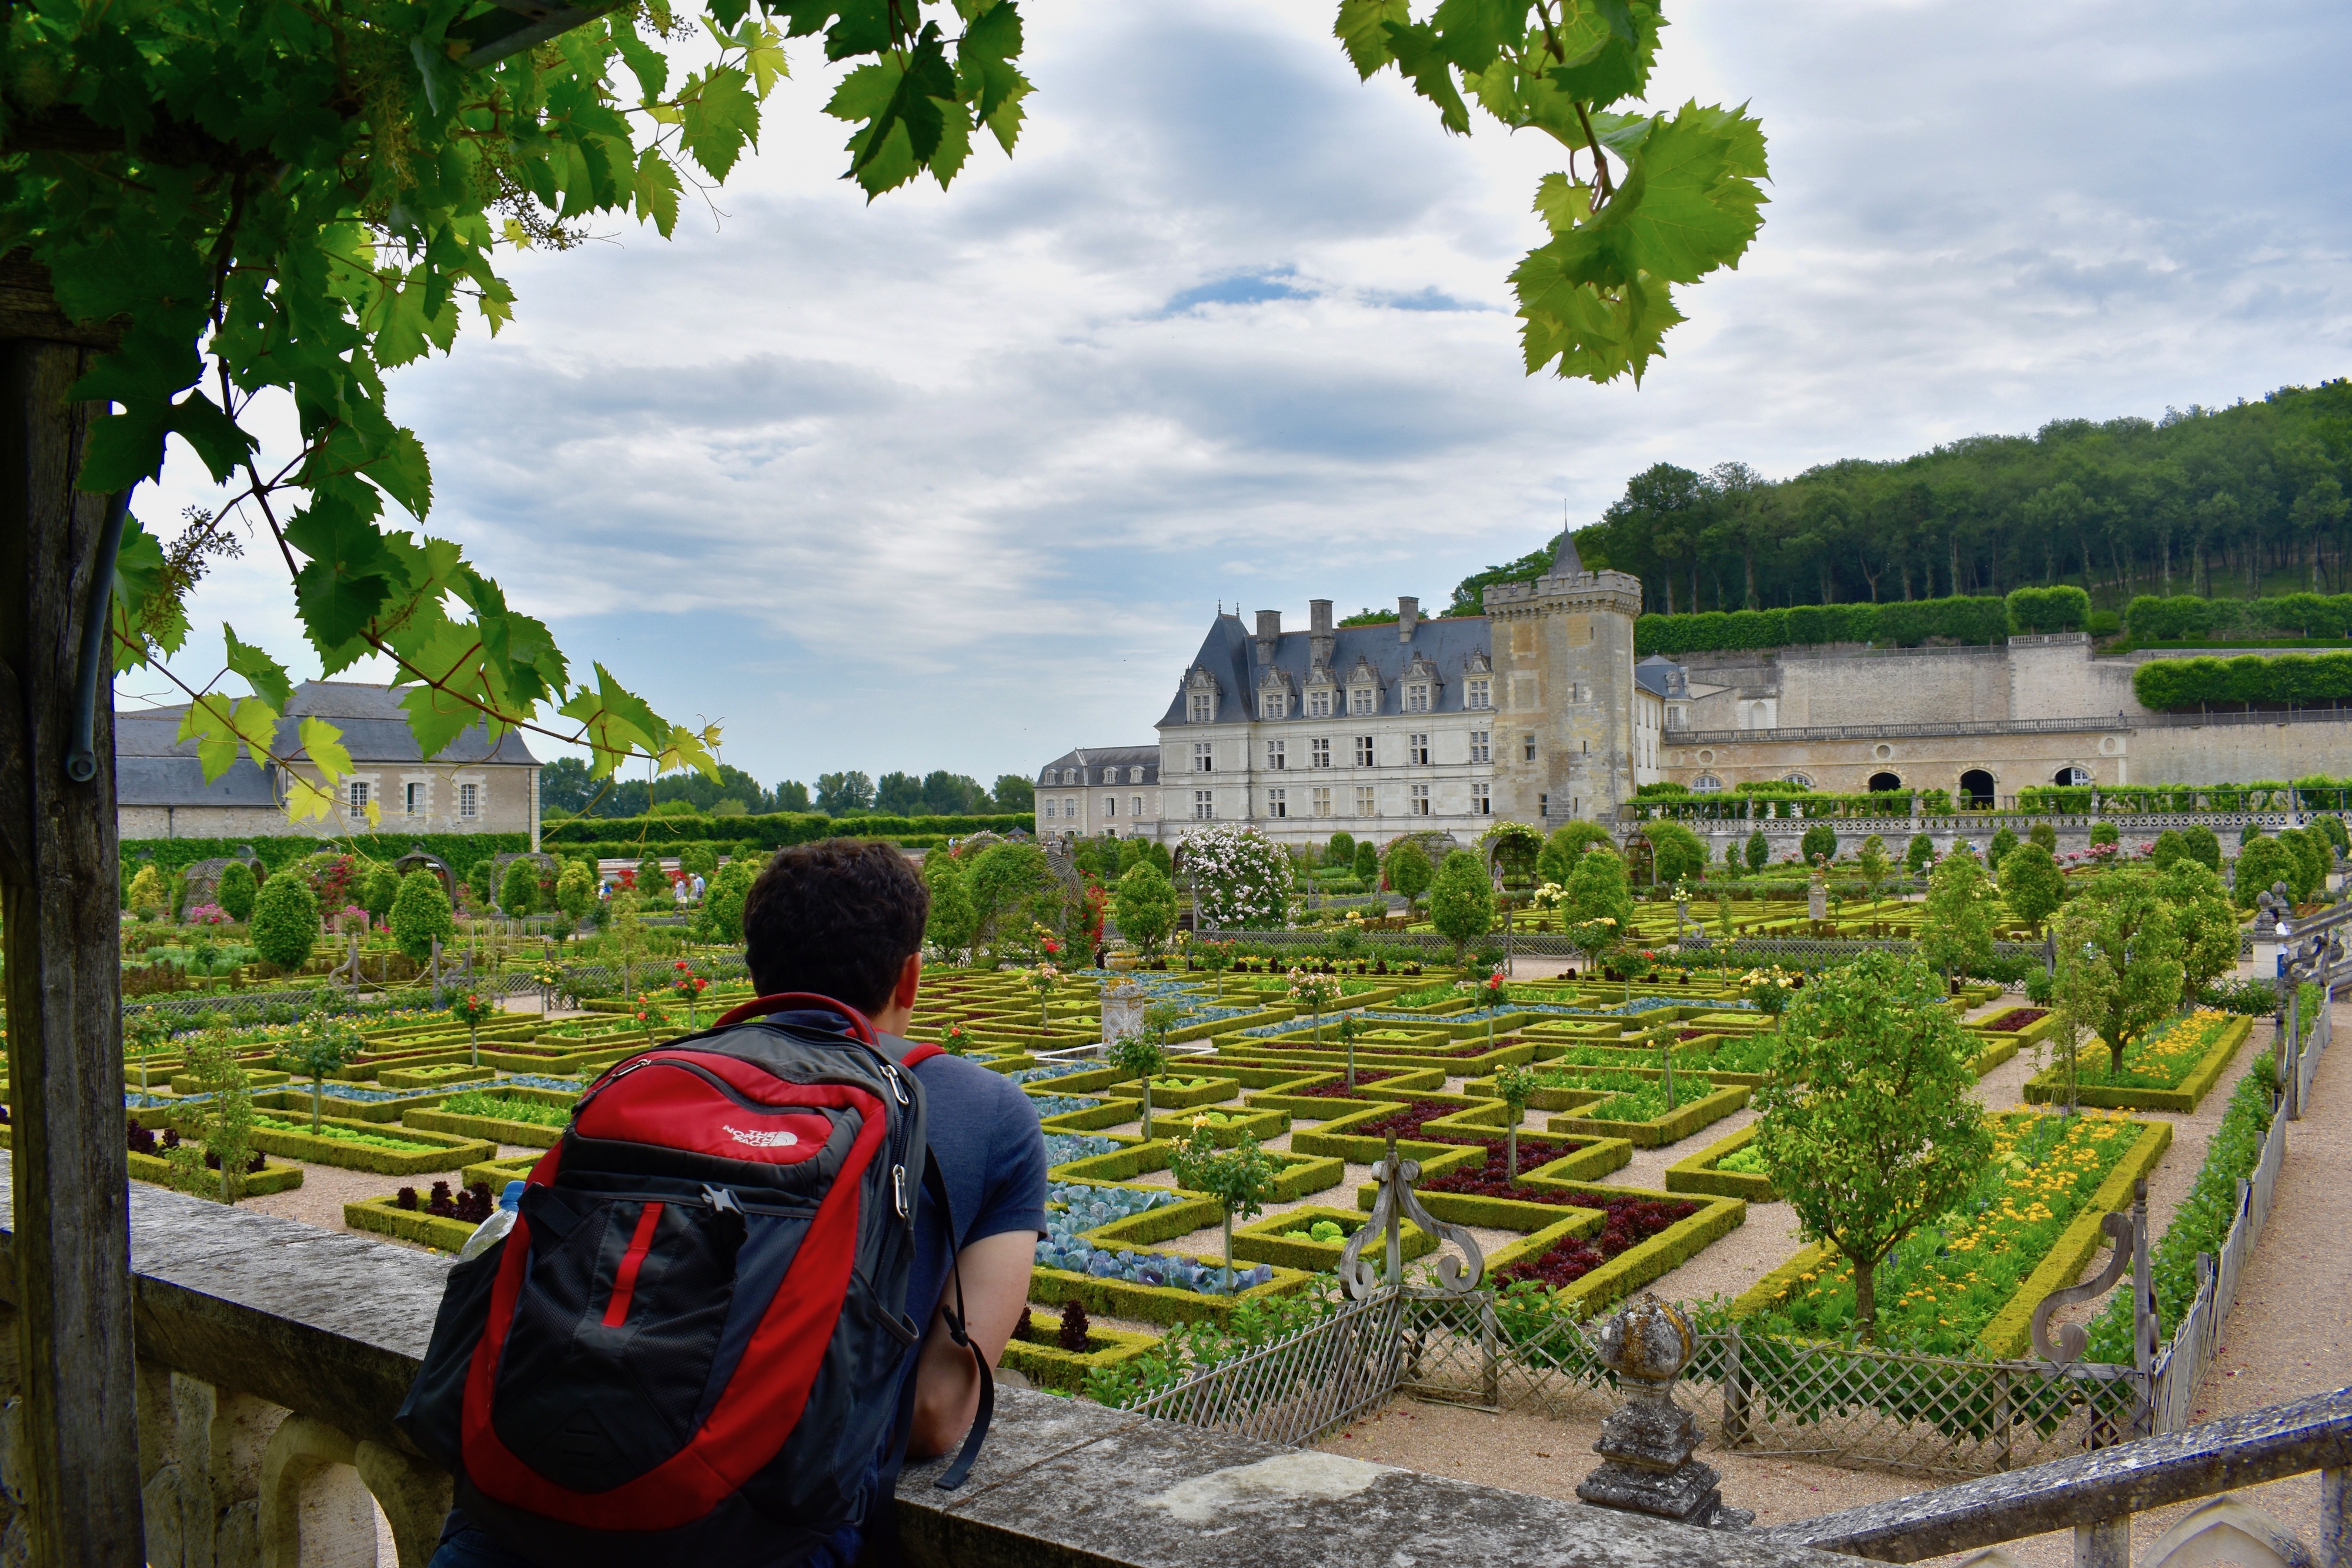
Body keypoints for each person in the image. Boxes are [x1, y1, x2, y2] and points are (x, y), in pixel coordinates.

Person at [428, 838, 1047, 1566]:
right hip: (744, 1539)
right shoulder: (988, 1112)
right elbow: (936, 1417)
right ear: (910, 976)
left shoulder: (654, 1080)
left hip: (512, 1520)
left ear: (752, 971)